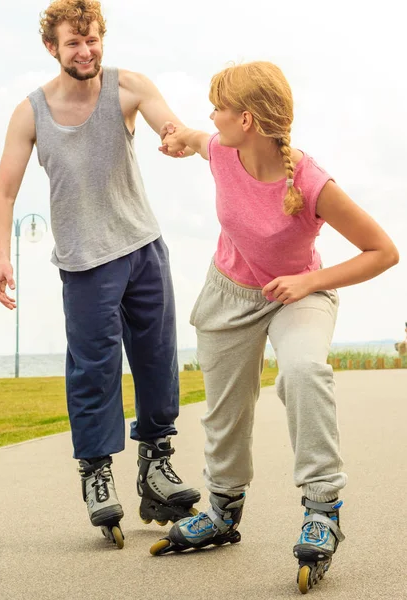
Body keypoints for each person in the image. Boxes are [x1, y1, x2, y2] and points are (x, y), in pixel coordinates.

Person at [150, 61, 399, 591]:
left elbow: (383, 251)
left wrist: (309, 283)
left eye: (218, 105)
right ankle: (222, 508)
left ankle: (322, 507)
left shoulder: (311, 181)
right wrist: (175, 139)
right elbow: (193, 138)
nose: (210, 114)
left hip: (297, 294)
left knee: (304, 372)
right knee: (225, 409)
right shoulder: (220, 149)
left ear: (249, 120)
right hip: (228, 293)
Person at [0, 0, 200, 547]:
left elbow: (167, 122)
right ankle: (97, 473)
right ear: (52, 48)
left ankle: (156, 464)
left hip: (142, 246)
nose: (86, 52)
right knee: (93, 370)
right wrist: (2, 256)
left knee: (157, 358)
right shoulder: (30, 113)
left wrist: (177, 138)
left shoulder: (128, 87)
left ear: (102, 37)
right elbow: (4, 190)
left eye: (93, 39)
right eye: (73, 43)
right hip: (84, 262)